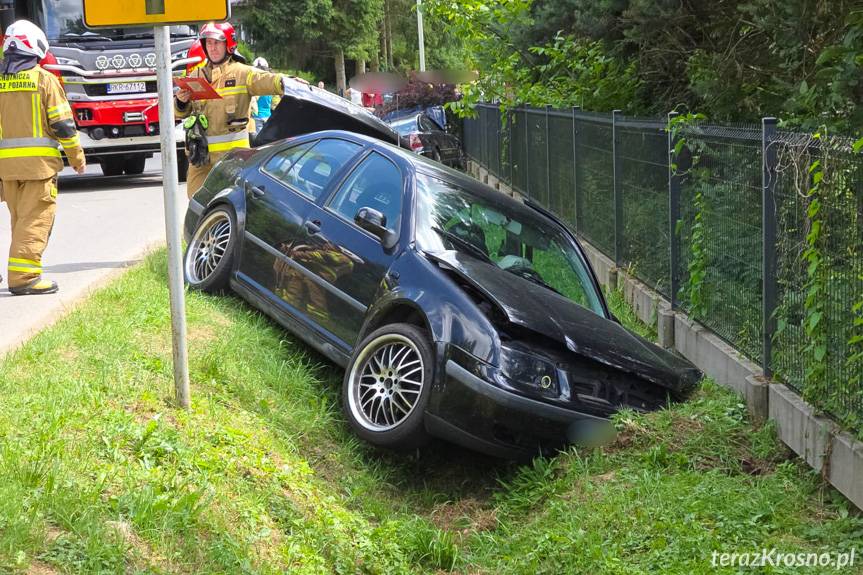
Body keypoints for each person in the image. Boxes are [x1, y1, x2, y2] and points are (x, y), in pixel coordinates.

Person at [0, 20, 86, 295]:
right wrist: (77, 157)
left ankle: (19, 270)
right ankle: (24, 278)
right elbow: (62, 125)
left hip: (7, 171)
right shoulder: (44, 80)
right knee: (34, 222)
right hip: (38, 170)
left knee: (18, 221)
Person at [175, 22, 303, 199]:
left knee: (228, 207)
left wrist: (287, 82)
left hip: (232, 159)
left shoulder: (242, 73)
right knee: (196, 208)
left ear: (228, 44)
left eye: (217, 43)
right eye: (208, 43)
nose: (212, 48)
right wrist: (181, 102)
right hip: (200, 158)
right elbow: (180, 113)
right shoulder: (196, 76)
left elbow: (266, 80)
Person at [250, 56, 273, 136]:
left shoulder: (254, 84)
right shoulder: (270, 84)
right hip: (268, 116)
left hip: (257, 117)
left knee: (258, 143)